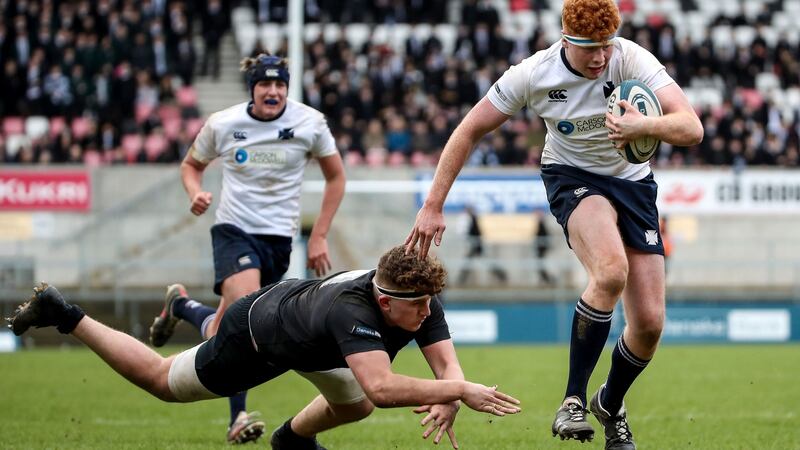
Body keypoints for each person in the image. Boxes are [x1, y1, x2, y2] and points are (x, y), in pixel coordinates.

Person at [405, 0, 703, 448]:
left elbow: (693, 127)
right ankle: (572, 401)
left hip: (635, 183)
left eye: (605, 46)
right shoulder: (533, 73)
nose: (601, 58)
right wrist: (433, 204)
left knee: (650, 324)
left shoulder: (631, 57)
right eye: (590, 50)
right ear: (566, 41)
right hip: (573, 177)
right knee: (610, 271)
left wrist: (648, 124)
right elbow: (468, 130)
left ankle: (610, 403)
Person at [6, 246, 521, 450]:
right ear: (385, 303)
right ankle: (64, 314)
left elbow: (442, 355)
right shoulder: (354, 312)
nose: (429, 312)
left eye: (432, 301)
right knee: (163, 382)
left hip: (308, 329)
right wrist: (459, 388)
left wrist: (450, 389)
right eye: (419, 306)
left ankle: (289, 442)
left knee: (354, 404)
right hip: (259, 333)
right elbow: (384, 387)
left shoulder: (413, 293)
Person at [149, 53, 346, 444]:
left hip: (278, 240)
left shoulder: (310, 123)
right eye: (264, 85)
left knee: (226, 328)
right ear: (252, 89)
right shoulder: (223, 124)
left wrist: (319, 235)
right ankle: (238, 417)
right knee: (246, 316)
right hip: (234, 230)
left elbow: (336, 176)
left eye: (280, 86)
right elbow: (191, 165)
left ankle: (181, 307)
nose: (273, 92)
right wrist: (195, 192)